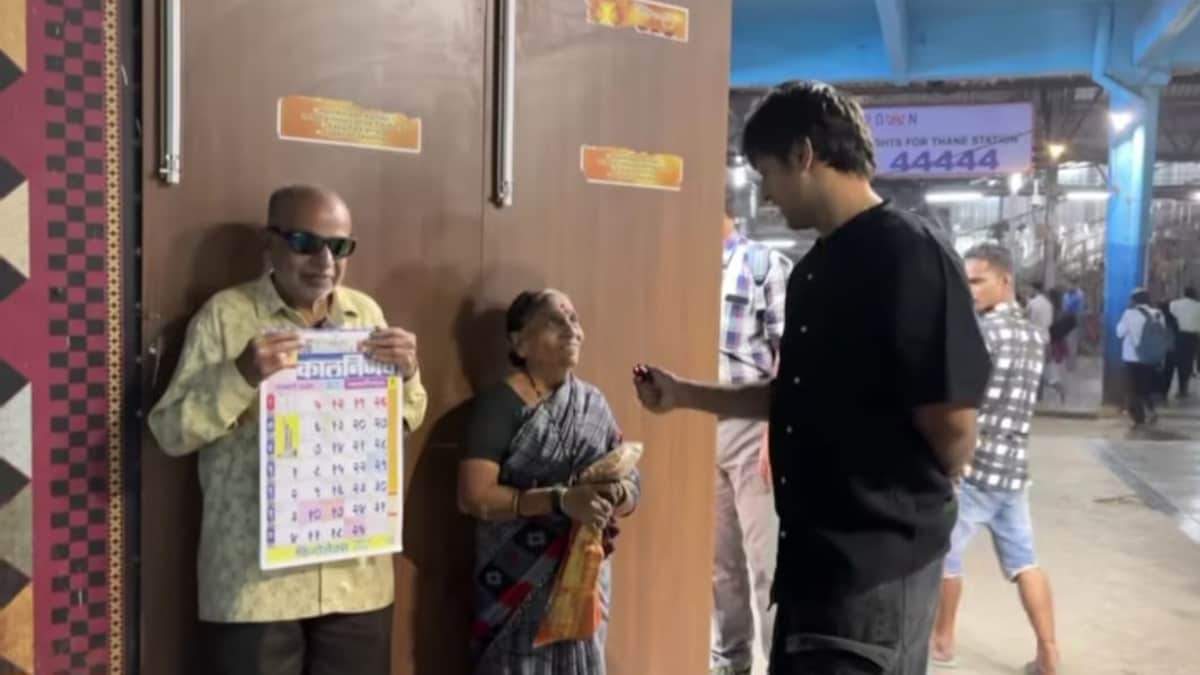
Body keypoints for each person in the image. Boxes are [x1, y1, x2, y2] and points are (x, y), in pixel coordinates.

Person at [632, 80, 991, 675]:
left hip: (874, 570)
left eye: (766, 173)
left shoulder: (908, 254)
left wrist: (913, 491)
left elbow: (952, 424)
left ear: (803, 154)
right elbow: (797, 395)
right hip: (816, 561)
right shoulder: (815, 269)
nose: (766, 196)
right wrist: (685, 395)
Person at [148, 185, 428, 675]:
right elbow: (170, 432)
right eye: (305, 242)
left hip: (354, 577)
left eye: (339, 247)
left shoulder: (366, 316)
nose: (324, 260)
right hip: (255, 587)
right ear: (269, 243)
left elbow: (407, 416)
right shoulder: (226, 317)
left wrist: (406, 377)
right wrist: (240, 377)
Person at [458, 289, 639, 675]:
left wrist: (617, 492)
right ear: (519, 343)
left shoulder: (593, 404)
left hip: (583, 578)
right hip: (517, 582)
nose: (571, 329)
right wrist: (560, 500)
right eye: (555, 320)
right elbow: (474, 496)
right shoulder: (499, 405)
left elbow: (630, 480)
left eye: (573, 319)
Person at [931, 244, 1058, 675]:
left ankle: (943, 639)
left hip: (974, 465)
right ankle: (1048, 652)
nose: (969, 290)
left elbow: (960, 399)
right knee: (1025, 562)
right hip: (1014, 469)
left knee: (946, 555)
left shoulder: (981, 334)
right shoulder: (1034, 336)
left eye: (977, 280)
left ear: (1005, 281)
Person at [711, 165, 792, 675]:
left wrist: (771, 435)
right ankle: (729, 661)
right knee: (719, 566)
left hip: (752, 427)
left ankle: (777, 661)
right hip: (700, 421)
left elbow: (790, 354)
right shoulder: (680, 265)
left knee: (766, 564)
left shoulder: (764, 265)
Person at [1116, 288, 1165, 427]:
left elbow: (1119, 333)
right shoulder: (1157, 313)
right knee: (1145, 387)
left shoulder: (1128, 314)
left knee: (1132, 388)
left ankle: (1139, 418)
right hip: (1149, 357)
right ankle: (1151, 410)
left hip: (1131, 357)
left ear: (1134, 300)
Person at [1168, 287, 1200, 398]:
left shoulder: (1174, 304)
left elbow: (1170, 318)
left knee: (1174, 361)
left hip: (1177, 336)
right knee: (1187, 362)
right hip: (1192, 337)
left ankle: (1170, 387)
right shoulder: (1198, 306)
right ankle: (1183, 387)